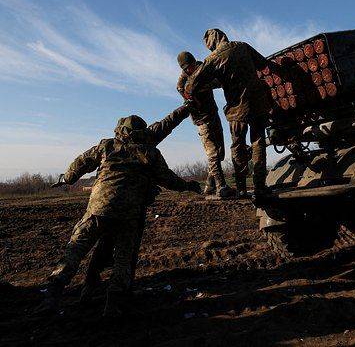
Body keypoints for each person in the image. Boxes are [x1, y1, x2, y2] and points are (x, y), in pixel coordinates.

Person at [35, 113, 202, 317]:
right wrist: (189, 186)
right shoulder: (150, 153)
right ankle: (114, 305)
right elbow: (169, 179)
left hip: (99, 210)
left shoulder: (107, 146)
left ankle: (52, 294)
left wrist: (66, 179)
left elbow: (80, 163)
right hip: (129, 214)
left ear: (120, 130)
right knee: (123, 258)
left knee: (76, 250)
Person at [79, 104, 194, 302]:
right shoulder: (147, 142)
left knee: (105, 245)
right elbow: (168, 125)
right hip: (133, 205)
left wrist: (186, 108)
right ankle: (116, 293)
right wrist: (187, 108)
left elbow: (169, 121)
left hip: (110, 205)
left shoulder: (113, 145)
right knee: (126, 250)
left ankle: (91, 286)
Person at [186, 29, 272, 198]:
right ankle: (260, 185)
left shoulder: (213, 58)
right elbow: (263, 64)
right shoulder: (242, 46)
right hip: (258, 103)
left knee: (238, 145)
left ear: (211, 44)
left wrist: (205, 85)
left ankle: (241, 188)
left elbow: (191, 85)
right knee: (258, 142)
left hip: (237, 109)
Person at [177, 51, 234, 199]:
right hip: (201, 119)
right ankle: (221, 187)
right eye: (186, 68)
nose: (189, 70)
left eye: (190, 66)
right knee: (213, 153)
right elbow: (179, 87)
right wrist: (189, 97)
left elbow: (217, 82)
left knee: (220, 152)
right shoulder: (184, 77)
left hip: (213, 114)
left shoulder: (204, 68)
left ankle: (209, 184)